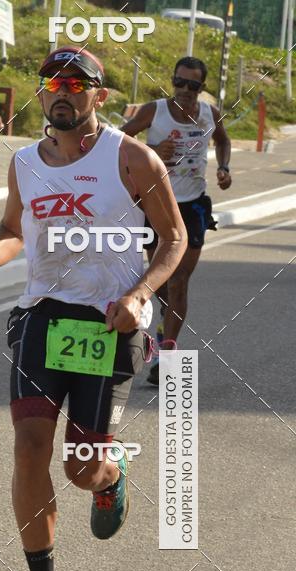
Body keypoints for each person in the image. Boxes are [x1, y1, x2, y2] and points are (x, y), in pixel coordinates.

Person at [0, 47, 187, 571]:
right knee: (30, 448)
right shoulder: (26, 164)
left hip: (108, 321)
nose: (60, 91)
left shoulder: (130, 159)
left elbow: (173, 238)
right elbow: (14, 230)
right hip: (42, 315)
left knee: (80, 469)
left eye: (74, 83)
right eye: (51, 82)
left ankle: (109, 477)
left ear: (98, 96)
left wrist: (140, 296)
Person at [121, 56, 232, 384]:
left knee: (179, 280)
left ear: (202, 88)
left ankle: (167, 355)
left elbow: (223, 139)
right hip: (155, 205)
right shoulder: (153, 111)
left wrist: (224, 167)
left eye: (192, 85)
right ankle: (161, 326)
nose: (184, 90)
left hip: (193, 207)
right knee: (160, 282)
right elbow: (117, 141)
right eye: (178, 82)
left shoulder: (210, 114)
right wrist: (153, 148)